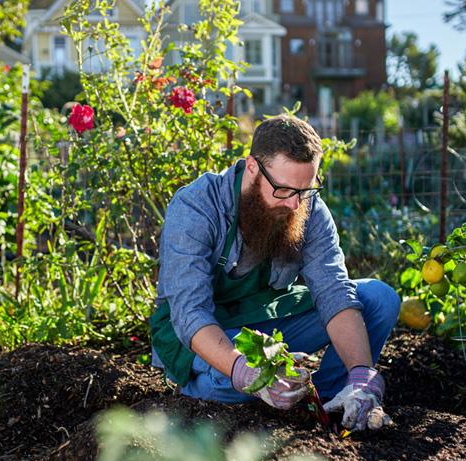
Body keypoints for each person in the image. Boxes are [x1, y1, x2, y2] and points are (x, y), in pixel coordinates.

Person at [150, 114, 400, 431]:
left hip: (265, 320)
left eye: (306, 190)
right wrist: (244, 371)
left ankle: (333, 403)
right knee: (236, 383)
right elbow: (190, 313)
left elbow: (333, 291)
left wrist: (362, 373)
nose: (296, 204)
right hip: (203, 332)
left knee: (379, 299)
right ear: (252, 167)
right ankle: (198, 391)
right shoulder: (197, 207)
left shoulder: (307, 208)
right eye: (284, 190)